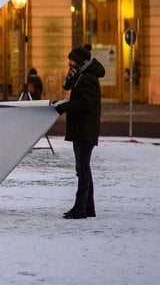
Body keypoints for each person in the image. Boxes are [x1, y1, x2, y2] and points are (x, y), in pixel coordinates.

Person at [53, 44, 105, 219]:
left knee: (82, 169)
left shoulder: (88, 78)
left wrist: (65, 107)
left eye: (72, 60)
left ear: (80, 61)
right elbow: (67, 87)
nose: (69, 63)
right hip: (81, 129)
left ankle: (81, 208)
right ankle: (88, 207)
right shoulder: (81, 76)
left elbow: (85, 103)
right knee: (83, 169)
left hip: (85, 129)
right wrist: (70, 76)